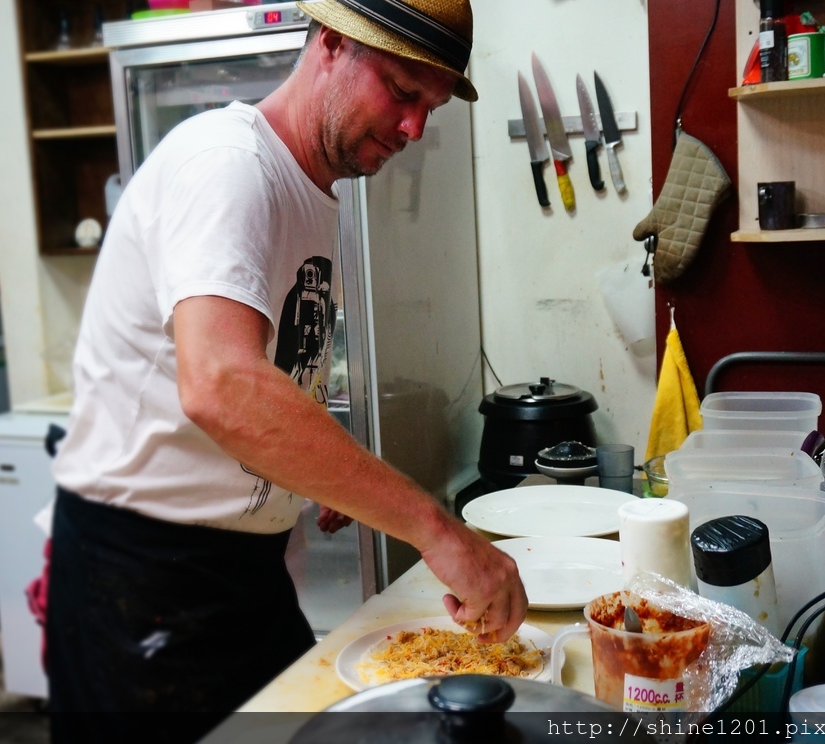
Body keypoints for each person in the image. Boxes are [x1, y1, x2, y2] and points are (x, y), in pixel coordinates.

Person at [45, 0, 526, 739]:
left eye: (429, 108)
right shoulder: (229, 166)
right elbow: (222, 385)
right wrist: (440, 533)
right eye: (403, 92)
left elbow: (269, 384)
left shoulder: (311, 195)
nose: (414, 129)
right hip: (146, 586)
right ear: (332, 43)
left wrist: (317, 475)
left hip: (239, 577)